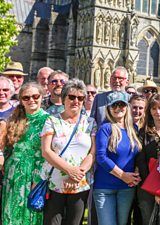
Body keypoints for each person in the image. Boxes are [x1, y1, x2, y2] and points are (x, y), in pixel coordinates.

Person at [41, 79, 96, 225]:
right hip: (56, 183)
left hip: (80, 183)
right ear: (64, 98)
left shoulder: (90, 122)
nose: (76, 101)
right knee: (52, 222)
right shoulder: (51, 121)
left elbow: (92, 153)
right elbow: (46, 151)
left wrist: (78, 174)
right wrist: (69, 170)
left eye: (80, 98)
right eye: (71, 97)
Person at [0, 82, 49, 225]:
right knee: (10, 213)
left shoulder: (48, 120)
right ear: (21, 100)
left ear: (42, 97)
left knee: (31, 214)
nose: (31, 100)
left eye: (35, 96)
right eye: (26, 97)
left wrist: (38, 177)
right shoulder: (15, 119)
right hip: (12, 173)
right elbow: (8, 148)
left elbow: (48, 152)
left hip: (34, 172)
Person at [93, 91, 141, 225]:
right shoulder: (105, 128)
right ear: (108, 108)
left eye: (121, 105)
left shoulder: (134, 129)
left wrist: (135, 173)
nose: (118, 108)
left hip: (127, 187)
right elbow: (101, 157)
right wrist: (122, 175)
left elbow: (138, 155)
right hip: (105, 187)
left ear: (127, 107)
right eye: (114, 105)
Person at [136, 94, 160, 225]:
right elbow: (141, 161)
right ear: (149, 111)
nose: (157, 112)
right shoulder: (144, 132)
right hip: (147, 185)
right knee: (149, 221)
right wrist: (154, 189)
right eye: (153, 108)